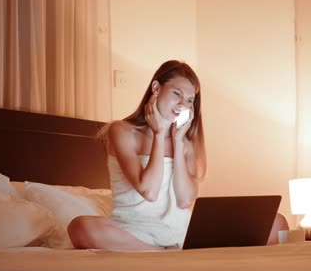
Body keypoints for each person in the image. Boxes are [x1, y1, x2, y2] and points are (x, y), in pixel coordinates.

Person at [68, 60, 288, 251]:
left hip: (181, 233)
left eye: (190, 100)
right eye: (177, 94)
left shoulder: (186, 142)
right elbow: (149, 191)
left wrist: (177, 142)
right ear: (156, 88)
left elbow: (184, 200)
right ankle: (158, 254)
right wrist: (159, 133)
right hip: (134, 233)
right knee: (80, 227)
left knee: (278, 223)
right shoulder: (121, 131)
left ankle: (180, 250)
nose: (183, 103)